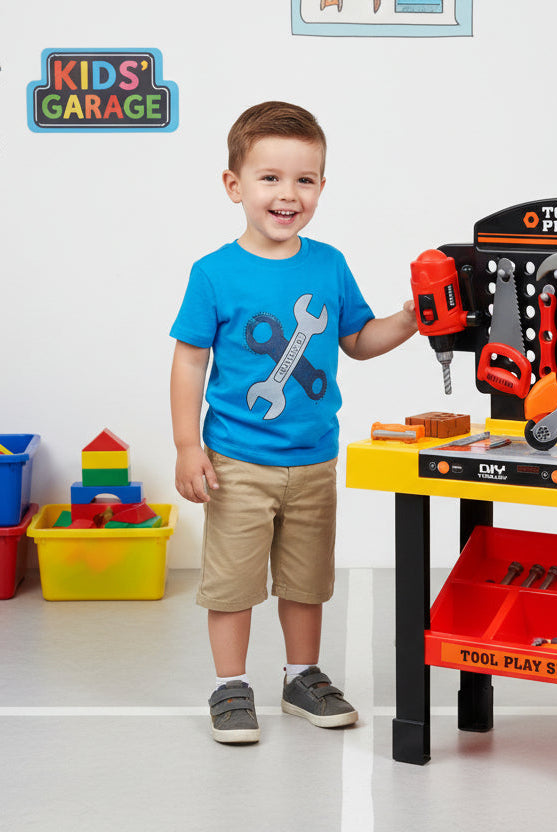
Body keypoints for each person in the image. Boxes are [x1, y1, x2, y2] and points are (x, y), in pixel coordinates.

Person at [169, 101, 417, 743]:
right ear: (235, 186)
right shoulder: (214, 273)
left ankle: (300, 675)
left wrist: (411, 319)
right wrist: (187, 446)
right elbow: (190, 364)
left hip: (313, 459)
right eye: (270, 178)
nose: (288, 194)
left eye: (304, 180)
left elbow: (358, 340)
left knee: (307, 579)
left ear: (321, 188)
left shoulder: (328, 265)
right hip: (235, 461)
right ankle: (230, 685)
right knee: (232, 582)